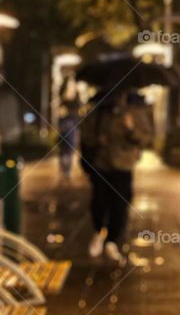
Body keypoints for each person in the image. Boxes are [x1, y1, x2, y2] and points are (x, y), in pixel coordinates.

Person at [80, 88, 155, 263]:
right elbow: (86, 134)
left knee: (120, 205)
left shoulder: (137, 109)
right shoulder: (100, 107)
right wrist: (98, 139)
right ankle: (99, 232)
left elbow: (147, 140)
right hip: (101, 164)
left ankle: (112, 240)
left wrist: (130, 129)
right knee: (98, 202)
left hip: (124, 165)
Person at [58, 77, 81, 180]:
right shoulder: (63, 102)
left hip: (72, 129)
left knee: (69, 151)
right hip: (64, 129)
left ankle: (67, 170)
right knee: (64, 151)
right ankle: (64, 169)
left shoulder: (76, 102)